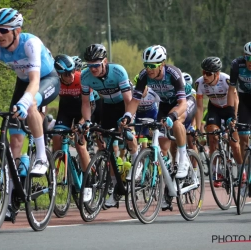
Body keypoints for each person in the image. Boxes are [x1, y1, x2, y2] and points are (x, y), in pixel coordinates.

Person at [0, 8, 60, 218]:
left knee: (31, 104)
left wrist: (25, 102)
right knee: (15, 140)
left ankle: (42, 156)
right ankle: (13, 195)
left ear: (17, 30)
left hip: (46, 80)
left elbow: (35, 81)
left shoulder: (30, 43)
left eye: (3, 30)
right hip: (23, 82)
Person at [121, 45, 196, 181]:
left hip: (184, 101)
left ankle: (183, 159)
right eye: (146, 65)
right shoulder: (144, 75)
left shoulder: (173, 73)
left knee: (177, 122)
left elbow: (182, 104)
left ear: (162, 64)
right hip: (165, 104)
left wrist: (172, 116)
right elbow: (135, 101)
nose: (149, 69)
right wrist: (127, 116)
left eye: (153, 65)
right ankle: (170, 170)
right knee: (163, 144)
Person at [81, 43, 138, 207]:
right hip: (107, 105)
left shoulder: (118, 71)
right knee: (108, 148)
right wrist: (87, 122)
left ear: (104, 61)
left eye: (96, 65)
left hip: (124, 104)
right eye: (90, 65)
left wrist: (128, 121)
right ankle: (115, 187)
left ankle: (137, 160)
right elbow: (86, 103)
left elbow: (129, 100)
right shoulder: (86, 77)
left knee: (128, 135)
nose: (93, 69)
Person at [195, 56, 242, 187]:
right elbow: (199, 107)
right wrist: (198, 127)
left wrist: (234, 117)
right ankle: (217, 171)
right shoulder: (199, 83)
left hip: (229, 108)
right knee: (212, 136)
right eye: (203, 72)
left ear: (217, 74)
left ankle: (240, 170)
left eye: (208, 73)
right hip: (214, 109)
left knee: (234, 143)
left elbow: (236, 99)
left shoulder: (226, 80)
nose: (205, 76)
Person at [52, 54, 91, 201]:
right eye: (67, 74)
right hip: (65, 112)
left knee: (80, 146)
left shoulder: (82, 78)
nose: (71, 75)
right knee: (57, 136)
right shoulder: (55, 82)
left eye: (72, 71)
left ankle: (88, 182)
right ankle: (54, 172)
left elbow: (90, 105)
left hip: (82, 110)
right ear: (59, 74)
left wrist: (82, 122)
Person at [227, 42, 251, 160]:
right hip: (244, 98)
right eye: (248, 58)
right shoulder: (237, 64)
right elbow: (231, 90)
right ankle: (246, 170)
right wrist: (232, 113)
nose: (250, 62)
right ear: (244, 56)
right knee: (243, 136)